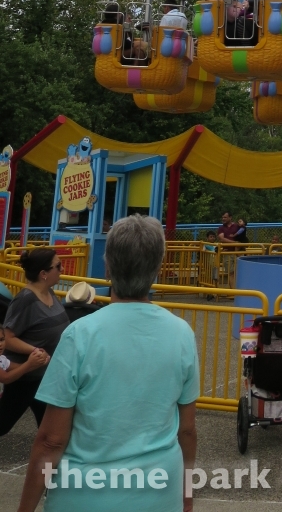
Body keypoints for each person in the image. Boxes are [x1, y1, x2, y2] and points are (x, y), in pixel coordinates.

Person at [17, 216, 199, 512]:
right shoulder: (181, 334)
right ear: (156, 268)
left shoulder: (80, 334)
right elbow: (187, 431)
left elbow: (51, 441)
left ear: (109, 267)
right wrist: (186, 495)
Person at [0, 247, 68, 435]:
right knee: (2, 423)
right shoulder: (25, 300)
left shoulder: (50, 294)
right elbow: (9, 339)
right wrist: (35, 352)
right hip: (25, 377)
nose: (62, 270)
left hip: (44, 377)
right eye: (58, 266)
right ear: (44, 274)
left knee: (51, 430)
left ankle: (50, 463)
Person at [0, 325, 48, 393]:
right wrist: (29, 363)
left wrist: (39, 362)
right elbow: (6, 378)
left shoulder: (2, 359)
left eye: (2, 339)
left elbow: (19, 368)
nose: (0, 344)